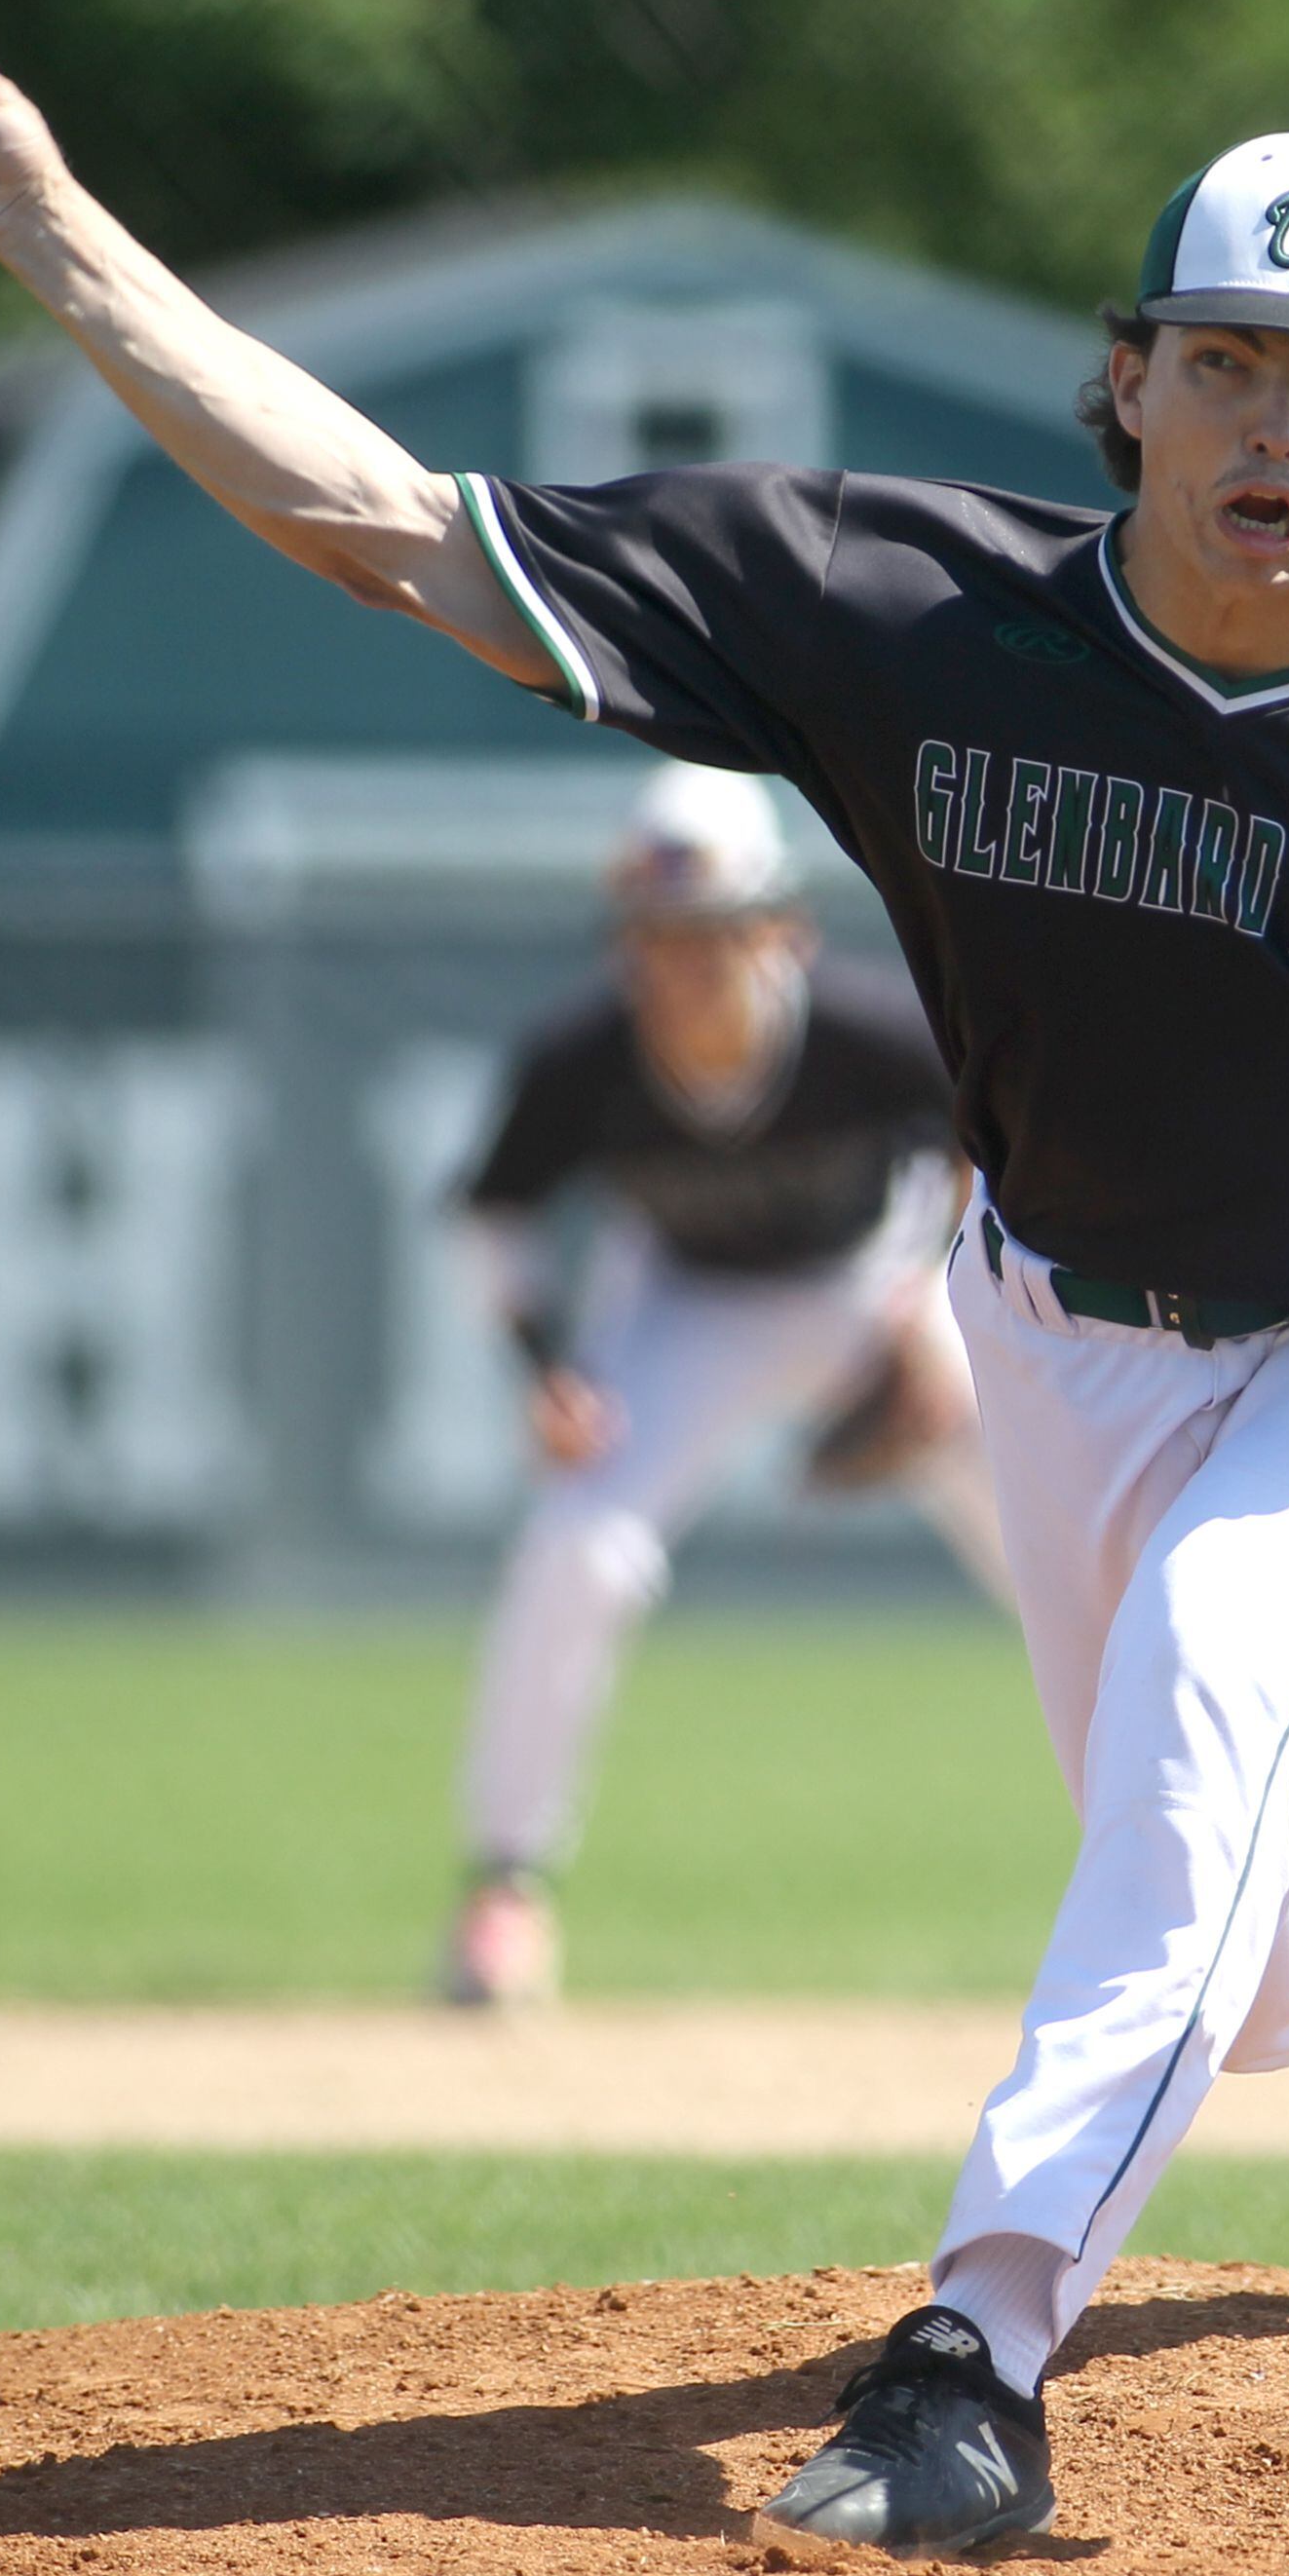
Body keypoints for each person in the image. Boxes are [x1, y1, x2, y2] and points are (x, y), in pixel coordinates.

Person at [0, 8, 1289, 2561]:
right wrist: (45, 229)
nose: (1270, 430)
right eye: (1225, 364)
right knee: (1239, 1916)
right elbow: (392, 528)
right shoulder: (904, 607)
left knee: (1210, 1711)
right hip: (1048, 1327)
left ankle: (973, 2357)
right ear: (1129, 378)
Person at [438, 763, 1009, 2010]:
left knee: (1062, 1553)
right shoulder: (582, 1060)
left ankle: (1234, 1864)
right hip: (686, 1304)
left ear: (784, 933)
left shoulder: (870, 1030)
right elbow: (492, 1219)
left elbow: (997, 1148)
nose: (682, 967)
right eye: (653, 939)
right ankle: (504, 1892)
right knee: (579, 1548)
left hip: (876, 1280)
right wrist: (545, 1372)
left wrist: (938, 1301)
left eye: (713, 934)